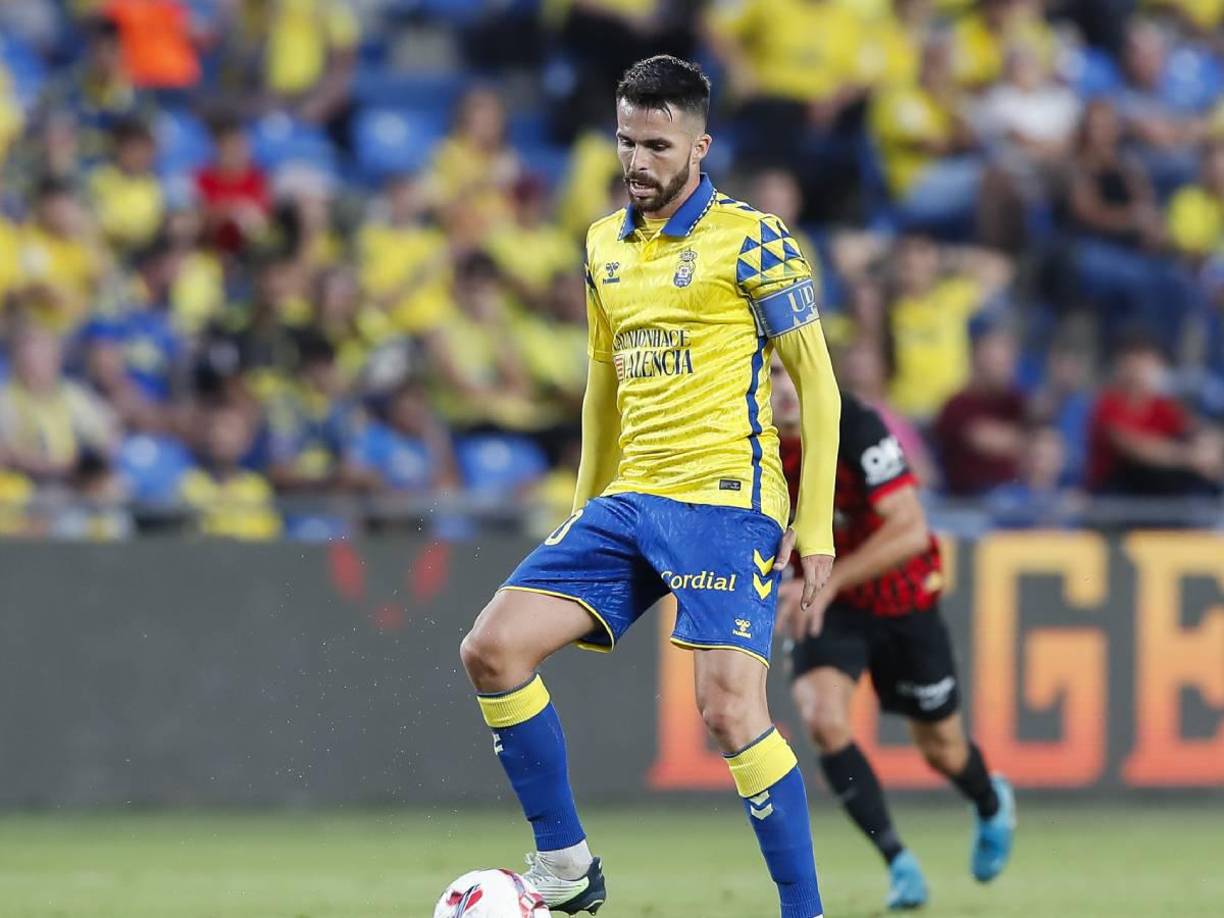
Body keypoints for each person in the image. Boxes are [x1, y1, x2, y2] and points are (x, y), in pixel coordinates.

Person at [458, 56, 841, 918]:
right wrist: (584, 503)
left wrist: (814, 526)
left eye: (657, 146)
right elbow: (602, 384)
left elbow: (818, 385)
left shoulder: (755, 239)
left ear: (700, 147)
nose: (637, 161)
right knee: (492, 649)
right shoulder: (602, 243)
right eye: (627, 142)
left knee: (729, 709)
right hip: (628, 500)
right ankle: (565, 866)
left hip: (725, 500)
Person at [772, 371, 1016, 911]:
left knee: (942, 750)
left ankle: (988, 799)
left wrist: (832, 580)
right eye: (769, 373)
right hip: (824, 599)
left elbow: (909, 529)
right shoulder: (746, 441)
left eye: (790, 373)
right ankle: (897, 861)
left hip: (900, 598)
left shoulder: (854, 424)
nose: (783, 389)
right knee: (822, 719)